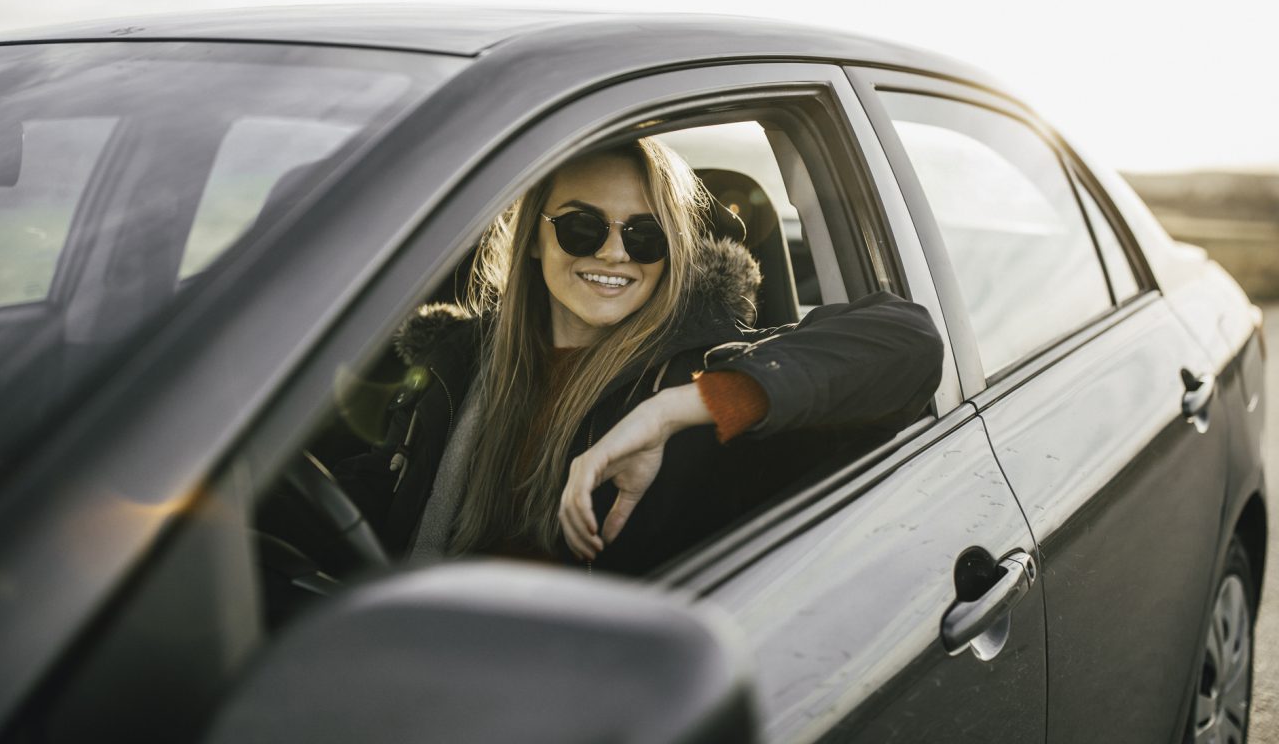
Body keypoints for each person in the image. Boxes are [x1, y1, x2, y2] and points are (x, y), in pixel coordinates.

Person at [335, 137, 943, 575]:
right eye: (581, 227)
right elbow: (389, 496)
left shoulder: (700, 371)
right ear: (531, 240)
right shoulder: (459, 364)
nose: (615, 253)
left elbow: (908, 342)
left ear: (671, 251)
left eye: (645, 234)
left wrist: (678, 409)